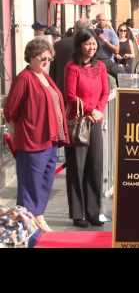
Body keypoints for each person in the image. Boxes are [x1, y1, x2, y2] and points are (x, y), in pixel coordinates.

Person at [4, 38, 70, 232]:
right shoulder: (25, 78)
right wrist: (18, 133)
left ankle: (37, 216)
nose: (47, 62)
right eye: (43, 58)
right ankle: (25, 224)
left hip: (49, 139)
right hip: (32, 140)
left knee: (45, 181)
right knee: (30, 184)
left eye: (49, 58)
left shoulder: (44, 76)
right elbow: (10, 110)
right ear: (32, 57)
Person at [64, 29, 109, 228]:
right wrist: (91, 110)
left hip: (95, 122)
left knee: (95, 167)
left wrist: (98, 110)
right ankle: (78, 213)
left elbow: (105, 91)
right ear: (79, 45)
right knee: (77, 167)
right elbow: (71, 95)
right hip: (79, 122)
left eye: (93, 44)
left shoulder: (100, 67)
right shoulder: (72, 67)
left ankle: (93, 211)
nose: (91, 48)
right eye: (87, 44)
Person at [49, 18, 91, 95]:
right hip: (81, 92)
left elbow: (52, 71)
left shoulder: (58, 44)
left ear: (74, 28)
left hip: (61, 89)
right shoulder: (89, 46)